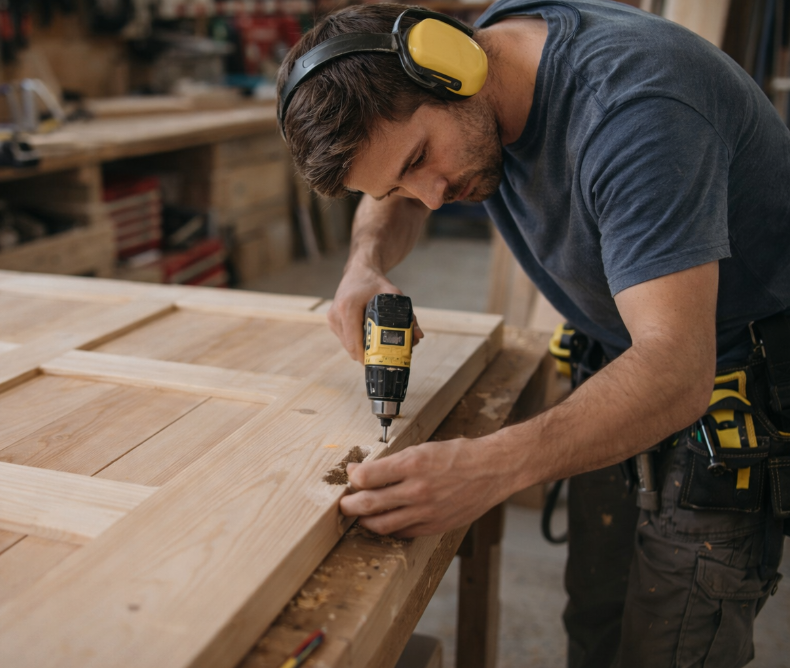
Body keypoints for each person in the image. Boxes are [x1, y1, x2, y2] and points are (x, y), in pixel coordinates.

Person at [276, 1, 790, 666]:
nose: (431, 197)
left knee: (665, 646)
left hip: (729, 390)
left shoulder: (637, 114)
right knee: (596, 617)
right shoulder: (479, 59)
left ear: (452, 65)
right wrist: (363, 264)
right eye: (399, 183)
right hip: (618, 359)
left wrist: (489, 466)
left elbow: (677, 368)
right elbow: (395, 184)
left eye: (421, 157)